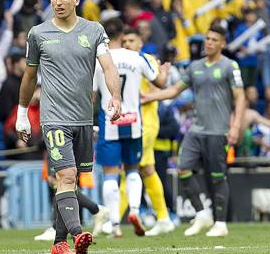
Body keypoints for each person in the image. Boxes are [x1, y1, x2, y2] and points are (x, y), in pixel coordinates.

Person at [15, 0, 122, 254]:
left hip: (84, 119)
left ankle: (59, 243)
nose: (58, 2)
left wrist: (115, 95)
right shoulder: (37, 34)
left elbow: (109, 67)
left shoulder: (94, 31)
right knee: (65, 174)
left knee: (70, 181)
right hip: (54, 118)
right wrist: (22, 114)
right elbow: (29, 76)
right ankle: (78, 234)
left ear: (76, 0)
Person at [143, 25, 246, 237]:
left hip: (219, 131)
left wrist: (235, 126)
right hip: (196, 129)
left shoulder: (230, 66)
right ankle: (202, 213)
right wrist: (150, 97)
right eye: (207, 38)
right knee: (183, 169)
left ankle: (221, 223)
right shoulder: (195, 67)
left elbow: (240, 98)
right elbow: (174, 90)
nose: (208, 42)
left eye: (213, 40)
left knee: (217, 177)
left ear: (222, 44)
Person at [94, 24, 169, 238]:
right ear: (121, 37)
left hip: (110, 122)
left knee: (110, 175)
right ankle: (134, 212)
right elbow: (161, 82)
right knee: (134, 170)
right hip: (134, 122)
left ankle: (115, 223)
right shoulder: (139, 58)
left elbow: (91, 95)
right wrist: (164, 72)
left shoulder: (99, 61)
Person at [119, 29, 174, 236]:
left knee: (129, 168)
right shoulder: (126, 61)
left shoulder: (146, 59)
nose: (127, 44)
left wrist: (149, 96)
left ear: (141, 43)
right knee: (147, 170)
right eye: (124, 40)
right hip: (135, 121)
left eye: (131, 40)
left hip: (146, 122)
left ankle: (114, 220)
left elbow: (159, 87)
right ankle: (163, 217)